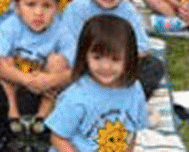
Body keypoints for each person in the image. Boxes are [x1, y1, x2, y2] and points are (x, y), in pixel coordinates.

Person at [60, 0, 162, 98]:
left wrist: (118, 62)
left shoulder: (127, 10)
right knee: (58, 66)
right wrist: (90, 65)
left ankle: (118, 98)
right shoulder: (78, 7)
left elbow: (142, 46)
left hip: (118, 66)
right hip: (87, 66)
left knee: (154, 66)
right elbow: (68, 45)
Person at [46, 16, 149, 152]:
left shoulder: (134, 89)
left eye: (115, 59)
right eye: (97, 57)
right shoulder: (77, 97)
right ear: (85, 55)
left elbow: (132, 132)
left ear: (129, 58)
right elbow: (57, 137)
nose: (105, 66)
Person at [0, 0, 73, 138]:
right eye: (30, 5)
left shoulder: (61, 30)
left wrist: (50, 80)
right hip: (17, 84)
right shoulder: (10, 27)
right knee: (4, 61)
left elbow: (76, 70)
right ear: (17, 7)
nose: (38, 13)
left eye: (46, 6)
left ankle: (42, 118)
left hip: (45, 88)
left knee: (58, 61)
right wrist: (25, 79)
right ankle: (12, 115)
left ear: (57, 8)